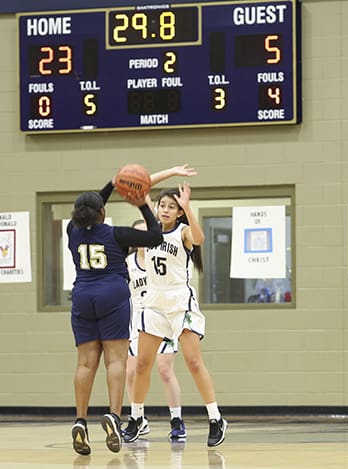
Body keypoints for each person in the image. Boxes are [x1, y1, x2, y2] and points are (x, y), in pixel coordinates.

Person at [68, 164, 196, 456]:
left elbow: (91, 206)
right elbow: (155, 236)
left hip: (83, 295)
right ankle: (113, 415)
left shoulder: (72, 231)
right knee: (116, 360)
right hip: (112, 294)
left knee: (85, 363)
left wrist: (110, 186)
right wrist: (142, 205)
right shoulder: (117, 234)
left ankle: (80, 420)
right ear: (102, 213)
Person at [123, 182, 228, 447]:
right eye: (163, 205)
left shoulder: (183, 231)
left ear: (179, 212)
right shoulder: (151, 231)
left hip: (180, 301)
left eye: (172, 207)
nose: (166, 210)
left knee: (193, 362)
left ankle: (215, 418)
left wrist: (188, 206)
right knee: (142, 365)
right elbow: (142, 188)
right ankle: (136, 417)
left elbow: (200, 239)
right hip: (155, 301)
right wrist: (170, 173)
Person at [125, 219, 186, 441]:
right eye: (138, 234)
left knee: (164, 368)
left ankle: (176, 419)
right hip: (137, 321)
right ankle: (138, 419)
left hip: (161, 316)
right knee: (131, 371)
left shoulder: (162, 256)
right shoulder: (128, 262)